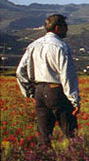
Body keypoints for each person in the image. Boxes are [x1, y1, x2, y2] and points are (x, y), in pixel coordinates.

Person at [16, 14, 81, 146]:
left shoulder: (33, 45)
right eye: (65, 27)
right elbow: (66, 75)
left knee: (44, 134)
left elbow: (20, 71)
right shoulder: (61, 47)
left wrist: (29, 92)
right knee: (70, 132)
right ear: (58, 28)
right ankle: (76, 158)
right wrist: (74, 100)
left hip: (39, 91)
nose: (67, 30)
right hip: (56, 91)